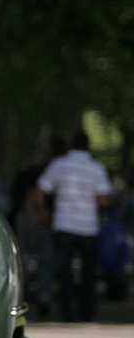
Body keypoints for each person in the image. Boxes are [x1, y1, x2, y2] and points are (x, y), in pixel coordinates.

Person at [36, 130, 112, 321]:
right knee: (87, 270)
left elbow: (40, 191)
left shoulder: (59, 165)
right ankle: (87, 311)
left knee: (64, 270)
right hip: (88, 226)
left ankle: (68, 310)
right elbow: (103, 200)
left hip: (63, 223)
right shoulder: (97, 168)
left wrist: (45, 212)